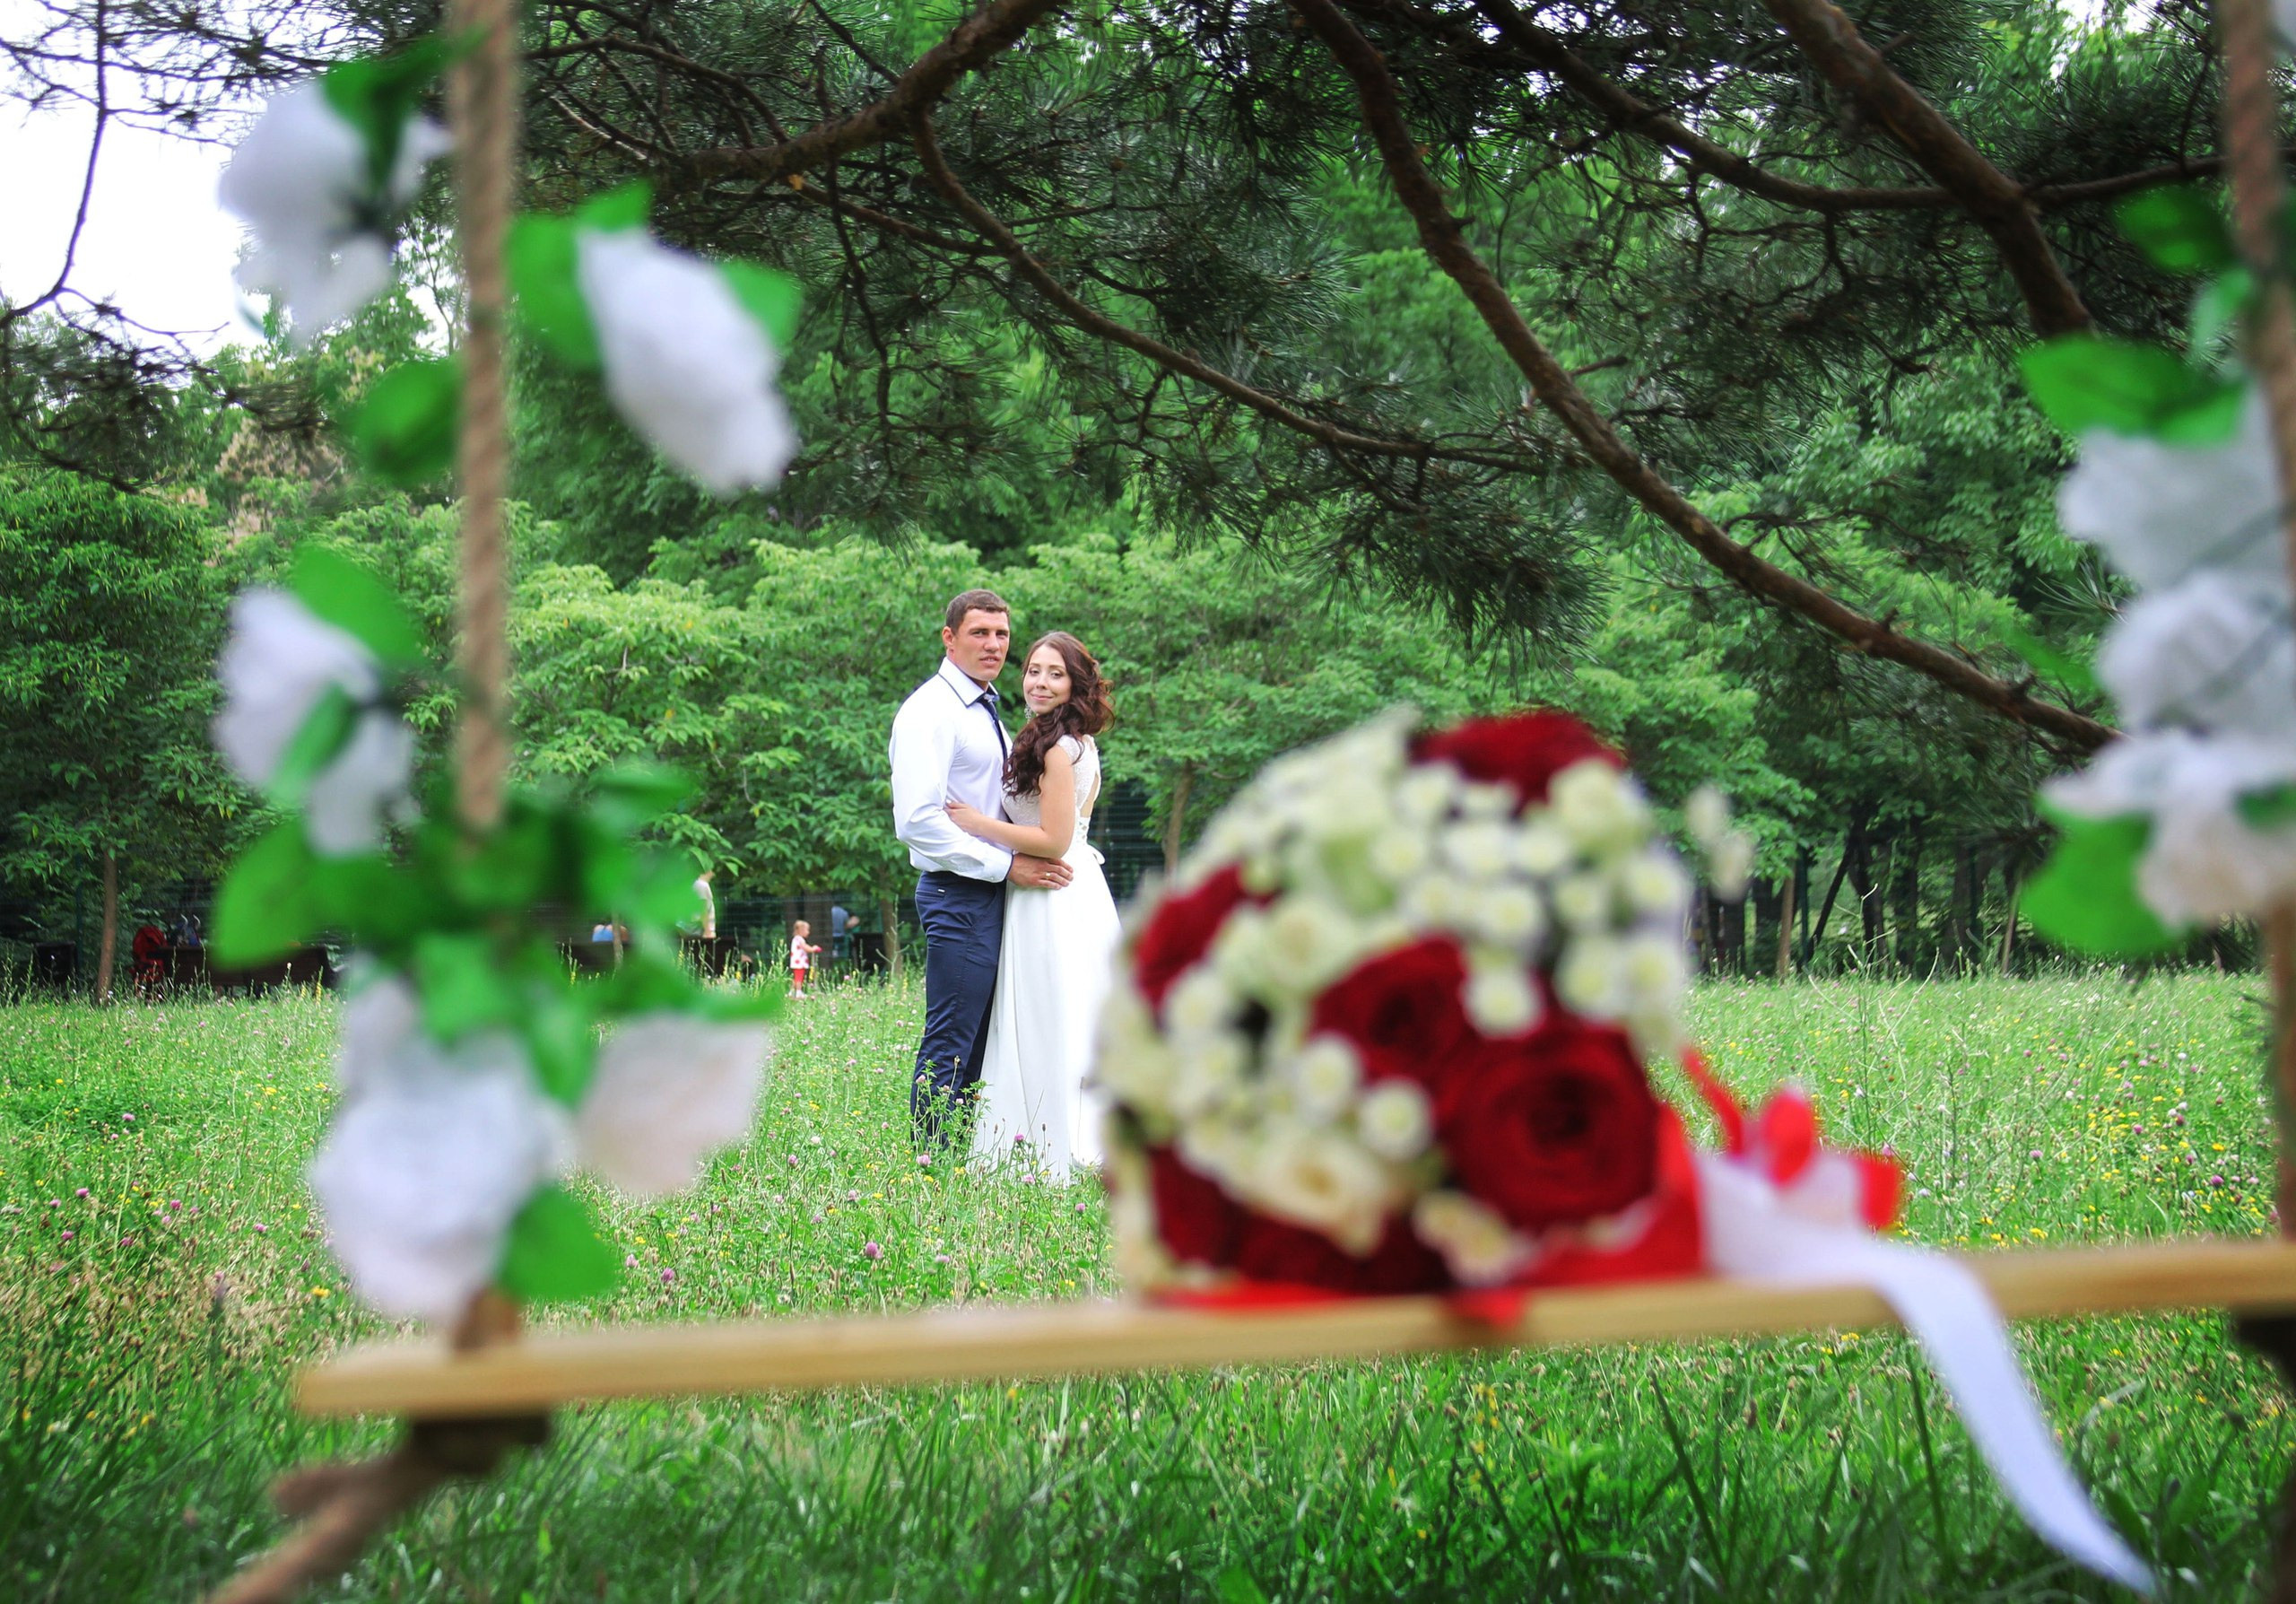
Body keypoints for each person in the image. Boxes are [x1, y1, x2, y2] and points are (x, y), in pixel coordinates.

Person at [890, 588, 1074, 1149]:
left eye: (1001, 634)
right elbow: (917, 822)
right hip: (959, 892)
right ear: (949, 638)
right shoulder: (931, 712)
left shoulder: (989, 709)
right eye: (979, 633)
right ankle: (930, 1163)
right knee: (952, 1035)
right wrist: (1006, 865)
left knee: (987, 1036)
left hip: (996, 891)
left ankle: (968, 1152)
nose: (993, 645)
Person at [944, 632, 1121, 1180]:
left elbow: (1053, 839)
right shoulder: (1062, 740)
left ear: (1076, 685)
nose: (1039, 682)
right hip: (1053, 890)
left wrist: (975, 823)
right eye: (1033, 671)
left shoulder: (1061, 749)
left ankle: (1058, 1141)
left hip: (1053, 892)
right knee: (1053, 1012)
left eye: (1055, 674)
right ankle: (1039, 1130)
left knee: (1054, 1014)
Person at [787, 919, 822, 997]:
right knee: (799, 978)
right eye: (807, 930)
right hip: (799, 962)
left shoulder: (796, 939)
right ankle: (798, 992)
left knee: (796, 978)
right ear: (801, 930)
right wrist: (813, 949)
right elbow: (805, 947)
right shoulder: (800, 939)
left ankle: (792, 992)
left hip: (797, 962)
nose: (808, 932)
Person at [691, 868, 717, 939]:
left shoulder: (698, 884)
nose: (714, 874)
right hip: (702, 931)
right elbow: (703, 908)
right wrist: (708, 932)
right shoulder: (702, 885)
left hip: (700, 929)